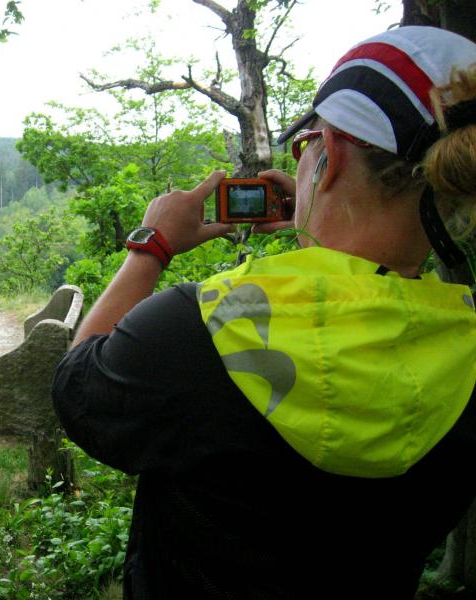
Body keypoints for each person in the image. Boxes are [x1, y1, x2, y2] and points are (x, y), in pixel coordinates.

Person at [51, 26, 476, 599]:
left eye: (307, 146)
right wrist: (321, 219)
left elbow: (77, 390)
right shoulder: (466, 349)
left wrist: (150, 247)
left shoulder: (198, 329)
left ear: (330, 158)